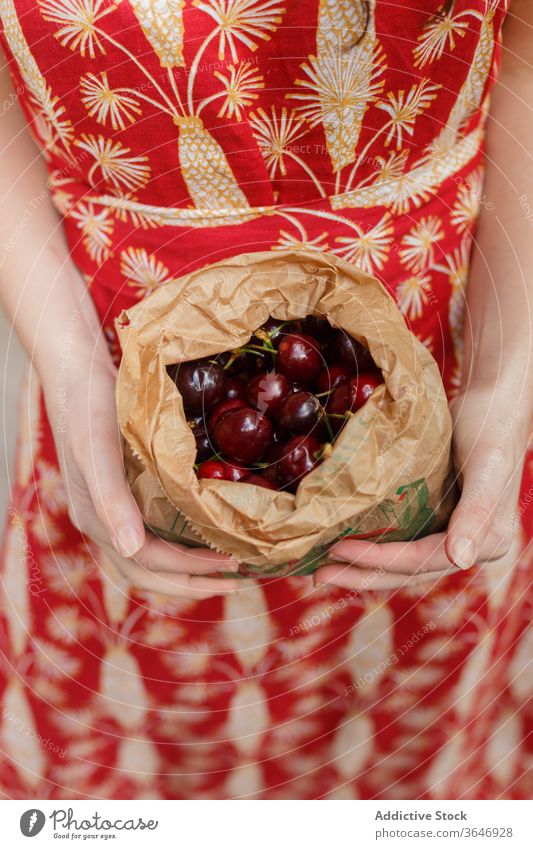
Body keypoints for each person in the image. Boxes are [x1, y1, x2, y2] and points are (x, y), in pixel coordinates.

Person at [0, 0, 531, 800]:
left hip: (435, 427)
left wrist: (506, 382)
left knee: (412, 770)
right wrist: (72, 365)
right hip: (117, 431)